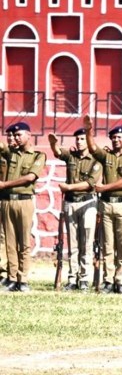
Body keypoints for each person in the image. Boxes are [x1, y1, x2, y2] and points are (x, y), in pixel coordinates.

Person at [83, 116, 122, 294]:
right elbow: (93, 148)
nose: (116, 140)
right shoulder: (106, 155)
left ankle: (120, 279)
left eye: (119, 137)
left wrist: (104, 187)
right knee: (107, 244)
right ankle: (108, 280)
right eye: (113, 137)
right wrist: (88, 131)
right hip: (107, 204)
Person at [48, 129, 102, 291]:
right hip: (71, 202)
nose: (79, 142)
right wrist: (53, 143)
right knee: (73, 243)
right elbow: (58, 152)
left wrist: (68, 187)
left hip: (88, 203)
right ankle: (72, 278)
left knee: (86, 242)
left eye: (82, 139)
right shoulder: (71, 156)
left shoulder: (96, 159)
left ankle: (84, 278)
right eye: (77, 139)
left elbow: (90, 183)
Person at [0, 122, 46, 292]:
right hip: (8, 202)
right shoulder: (10, 153)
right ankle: (12, 278)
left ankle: (23, 278)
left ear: (29, 135)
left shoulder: (38, 155)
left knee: (24, 242)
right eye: (14, 135)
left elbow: (30, 177)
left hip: (24, 201)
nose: (16, 138)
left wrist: (5, 184)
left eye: (19, 135)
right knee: (10, 243)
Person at [0, 132, 17, 287]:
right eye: (9, 136)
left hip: (9, 199)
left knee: (7, 237)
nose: (11, 138)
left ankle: (6, 271)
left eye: (14, 136)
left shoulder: (14, 154)